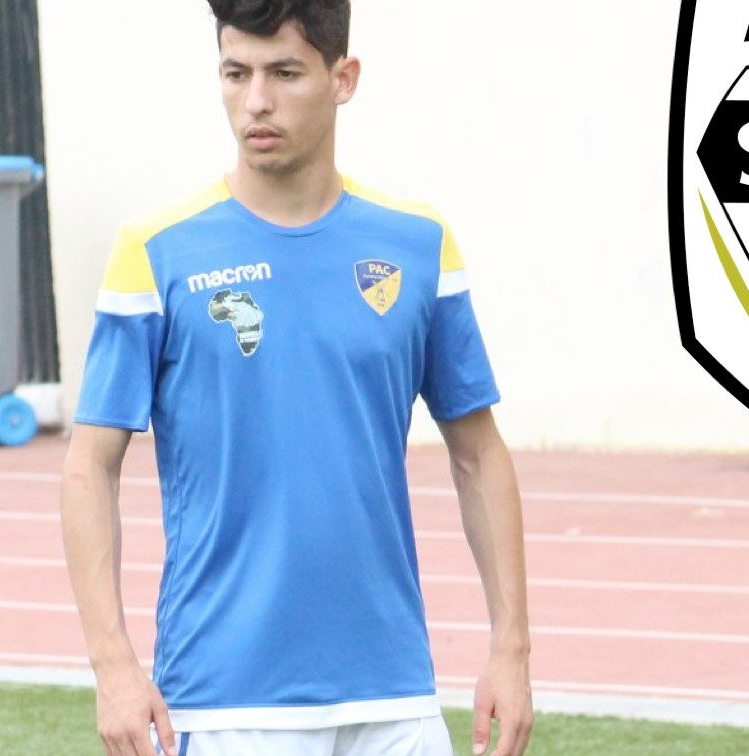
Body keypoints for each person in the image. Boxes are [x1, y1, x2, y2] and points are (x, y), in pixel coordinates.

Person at [59, 1, 532, 754]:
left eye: (284, 73)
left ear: (343, 79)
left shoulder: (418, 244)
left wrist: (511, 648)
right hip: (224, 703)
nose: (256, 101)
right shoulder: (155, 253)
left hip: (395, 697)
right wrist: (112, 665)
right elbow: (90, 465)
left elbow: (478, 453)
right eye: (235, 73)